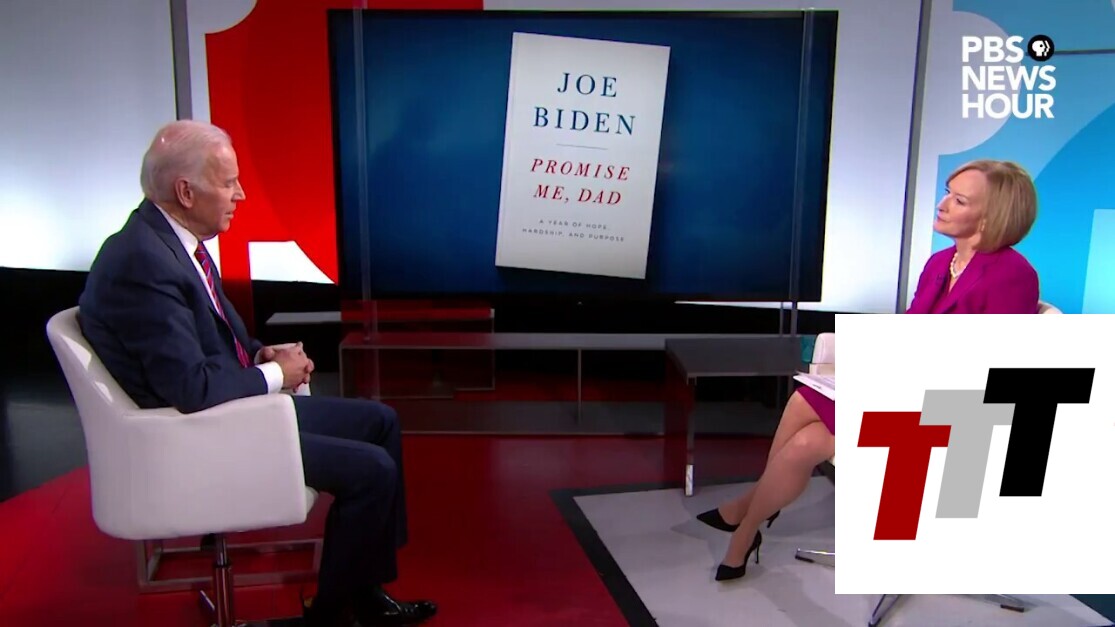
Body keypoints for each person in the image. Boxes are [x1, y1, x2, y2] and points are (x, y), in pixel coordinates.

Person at [78, 120, 436, 627]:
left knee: (380, 422)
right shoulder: (142, 261)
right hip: (194, 436)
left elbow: (214, 341)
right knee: (372, 470)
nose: (241, 194)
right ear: (186, 192)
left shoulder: (169, 242)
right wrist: (274, 376)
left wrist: (263, 355)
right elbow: (191, 388)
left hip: (228, 413)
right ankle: (330, 616)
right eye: (228, 183)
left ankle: (364, 592)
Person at [697, 159, 1041, 582]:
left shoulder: (1014, 276)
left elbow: (1001, 368)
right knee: (805, 430)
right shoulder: (941, 263)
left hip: (961, 413)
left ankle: (745, 519)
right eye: (947, 193)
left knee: (806, 415)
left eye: (959, 200)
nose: (942, 204)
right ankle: (746, 531)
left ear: (991, 216)